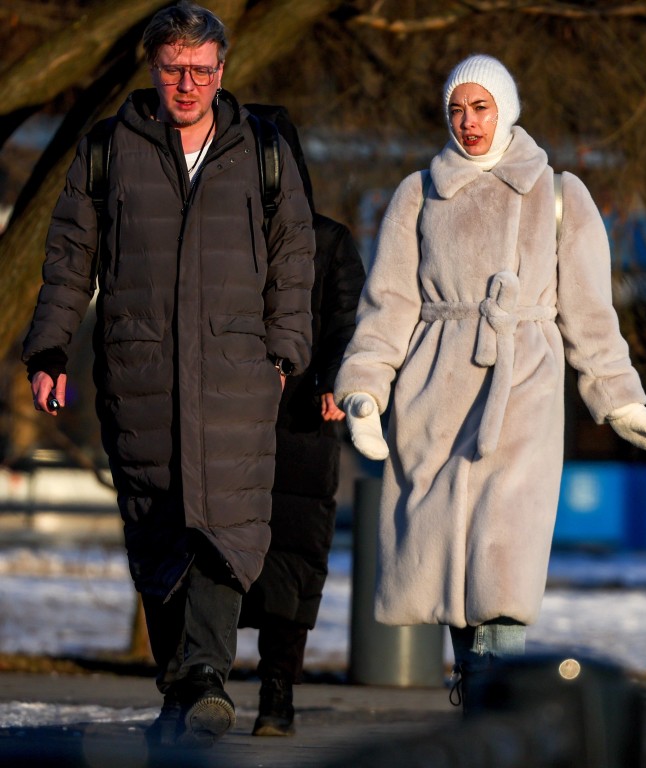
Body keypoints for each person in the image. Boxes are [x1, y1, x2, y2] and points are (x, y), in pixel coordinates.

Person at [334, 53, 646, 709]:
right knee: (445, 557)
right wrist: (366, 390)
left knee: (504, 547)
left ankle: (499, 699)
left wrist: (621, 398)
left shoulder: (559, 193)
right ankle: (475, 687)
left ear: (507, 109)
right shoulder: (418, 193)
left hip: (524, 381)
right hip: (435, 386)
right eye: (456, 110)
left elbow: (589, 311)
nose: (467, 122)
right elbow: (388, 305)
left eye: (480, 106)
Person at [21, 1, 314, 748]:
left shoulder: (264, 150)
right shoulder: (105, 149)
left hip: (237, 370)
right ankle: (183, 690)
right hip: (139, 369)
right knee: (158, 532)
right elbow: (66, 262)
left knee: (224, 523)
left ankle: (207, 678)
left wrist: (285, 351)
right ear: (153, 68)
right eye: (175, 68)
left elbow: (294, 255)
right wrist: (49, 350)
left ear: (224, 71)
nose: (189, 84)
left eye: (203, 70)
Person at [237, 104, 365, 737]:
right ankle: (195, 681)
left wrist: (336, 378)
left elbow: (350, 321)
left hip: (303, 421)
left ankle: (278, 691)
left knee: (292, 557)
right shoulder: (215, 241)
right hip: (228, 421)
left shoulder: (331, 241)